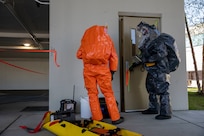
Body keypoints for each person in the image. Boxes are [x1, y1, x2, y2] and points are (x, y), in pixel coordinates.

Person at [129, 21, 180, 120]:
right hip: (152, 70)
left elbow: (161, 54)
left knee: (162, 90)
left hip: (161, 69)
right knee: (151, 88)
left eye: (144, 30)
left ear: (149, 30)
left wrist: (147, 59)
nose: (142, 33)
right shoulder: (149, 42)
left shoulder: (158, 40)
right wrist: (135, 64)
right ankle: (153, 108)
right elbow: (144, 56)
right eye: (141, 31)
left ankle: (166, 113)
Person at [76, 25, 124, 124]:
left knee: (92, 94)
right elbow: (113, 57)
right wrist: (113, 70)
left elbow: (79, 55)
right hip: (103, 70)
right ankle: (115, 118)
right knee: (108, 93)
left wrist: (89, 57)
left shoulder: (86, 41)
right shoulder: (108, 40)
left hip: (88, 70)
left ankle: (97, 118)